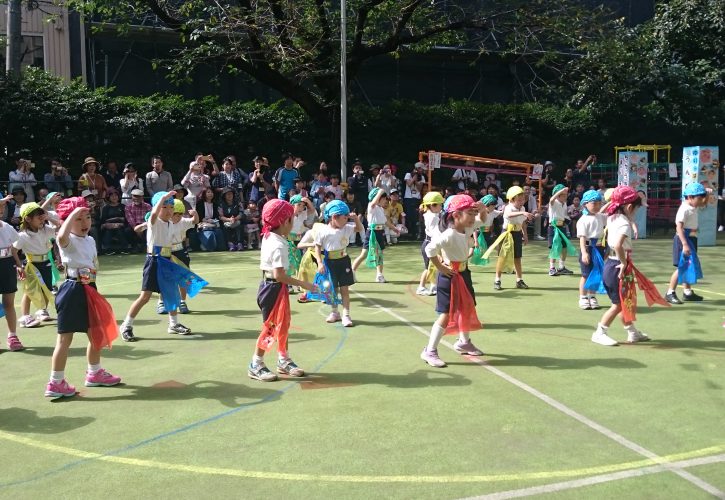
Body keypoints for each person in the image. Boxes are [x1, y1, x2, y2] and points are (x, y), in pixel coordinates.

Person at [45, 197, 121, 398]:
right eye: (78, 219)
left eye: (87, 217)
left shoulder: (90, 239)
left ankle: (94, 373)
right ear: (67, 221)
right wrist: (71, 215)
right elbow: (61, 236)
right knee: (64, 339)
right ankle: (55, 382)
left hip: (90, 288)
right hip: (73, 290)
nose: (85, 222)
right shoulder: (66, 240)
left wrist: (77, 213)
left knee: (96, 334)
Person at [120, 191, 206, 341]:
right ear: (157, 207)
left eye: (170, 207)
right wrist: (163, 198)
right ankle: (126, 325)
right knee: (145, 297)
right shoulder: (155, 222)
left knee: (172, 293)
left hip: (167, 260)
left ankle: (173, 324)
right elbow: (153, 215)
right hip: (154, 260)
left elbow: (193, 222)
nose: (168, 210)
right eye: (164, 207)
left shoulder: (172, 223)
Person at [248, 199, 316, 382]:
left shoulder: (272, 236)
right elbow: (279, 275)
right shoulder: (278, 244)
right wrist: (304, 284)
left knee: (283, 324)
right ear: (285, 222)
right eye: (292, 219)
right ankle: (256, 363)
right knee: (270, 328)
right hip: (272, 289)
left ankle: (283, 359)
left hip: (276, 288)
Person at [591, 186, 668, 346]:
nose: (636, 212)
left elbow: (600, 214)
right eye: (637, 208)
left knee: (624, 301)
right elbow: (618, 245)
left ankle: (632, 332)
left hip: (612, 264)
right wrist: (624, 263)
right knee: (618, 304)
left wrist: (614, 200)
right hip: (617, 266)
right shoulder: (623, 223)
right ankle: (600, 332)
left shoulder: (612, 217)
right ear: (629, 207)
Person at [420, 194, 484, 368]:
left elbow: (483, 221)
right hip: (449, 276)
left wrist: (482, 209)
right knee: (446, 314)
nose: (473, 217)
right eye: (470, 213)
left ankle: (464, 342)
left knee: (466, 307)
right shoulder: (448, 234)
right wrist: (440, 268)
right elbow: (430, 249)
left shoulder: (467, 229)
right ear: (456, 215)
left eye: (473, 213)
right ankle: (430, 350)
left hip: (463, 273)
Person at [314, 200, 363, 327]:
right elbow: (317, 247)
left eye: (347, 216)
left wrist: (356, 219)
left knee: (344, 289)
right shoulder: (323, 231)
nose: (347, 219)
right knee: (332, 289)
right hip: (329, 262)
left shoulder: (346, 228)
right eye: (344, 217)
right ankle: (335, 312)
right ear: (334, 217)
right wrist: (319, 263)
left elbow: (359, 228)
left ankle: (346, 315)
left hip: (343, 261)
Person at [13, 198, 59, 330]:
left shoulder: (45, 229)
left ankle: (41, 310)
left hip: (46, 262)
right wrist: (19, 266)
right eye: (38, 217)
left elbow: (59, 228)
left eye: (42, 216)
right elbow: (14, 250)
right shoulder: (23, 235)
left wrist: (49, 217)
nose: (41, 219)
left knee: (47, 289)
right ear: (28, 219)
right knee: (30, 292)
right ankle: (25, 316)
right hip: (32, 265)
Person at [664, 183, 708, 304]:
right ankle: (670, 292)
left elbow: (704, 202)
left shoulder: (694, 206)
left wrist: (707, 193)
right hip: (683, 239)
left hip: (691, 239)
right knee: (682, 266)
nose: (701, 201)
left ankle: (687, 292)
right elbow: (679, 228)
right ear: (689, 196)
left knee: (689, 265)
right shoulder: (684, 209)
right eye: (699, 198)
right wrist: (684, 244)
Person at [484, 186, 534, 291]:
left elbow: (523, 222)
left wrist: (525, 234)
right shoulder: (509, 207)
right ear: (512, 199)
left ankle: (519, 280)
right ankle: (497, 280)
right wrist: (522, 213)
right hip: (507, 234)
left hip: (517, 233)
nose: (522, 201)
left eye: (523, 199)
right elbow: (509, 215)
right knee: (502, 257)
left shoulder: (523, 208)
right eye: (519, 200)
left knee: (517, 257)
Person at [352, 188, 399, 283]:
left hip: (379, 233)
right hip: (372, 233)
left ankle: (379, 275)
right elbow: (373, 203)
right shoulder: (371, 206)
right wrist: (380, 192)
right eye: (384, 198)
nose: (386, 200)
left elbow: (385, 221)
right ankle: (351, 272)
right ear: (377, 198)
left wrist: (394, 228)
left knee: (379, 254)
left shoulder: (381, 209)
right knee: (364, 254)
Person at [0, 193, 24, 351]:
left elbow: (14, 247)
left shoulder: (7, 227)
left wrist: (19, 263)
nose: (1, 208)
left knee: (9, 303)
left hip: (7, 265)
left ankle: (12, 336)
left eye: (2, 206)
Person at [576, 190, 607, 310]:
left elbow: (610, 216)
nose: (598, 206)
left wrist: (612, 201)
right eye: (594, 203)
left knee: (597, 273)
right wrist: (584, 252)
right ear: (585, 204)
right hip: (588, 248)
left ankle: (592, 296)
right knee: (586, 274)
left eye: (599, 203)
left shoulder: (600, 216)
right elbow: (582, 238)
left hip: (599, 247)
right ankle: (583, 297)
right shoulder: (583, 220)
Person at [416, 191, 444, 296]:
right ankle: (421, 287)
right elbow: (435, 233)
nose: (441, 206)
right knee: (428, 268)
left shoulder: (431, 214)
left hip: (430, 243)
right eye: (440, 204)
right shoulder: (433, 217)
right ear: (433, 205)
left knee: (433, 267)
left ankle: (433, 286)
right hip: (431, 243)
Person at [547, 184, 576, 276]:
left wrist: (567, 220)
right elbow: (551, 199)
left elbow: (564, 215)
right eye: (563, 194)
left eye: (565, 194)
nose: (565, 196)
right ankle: (551, 268)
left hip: (561, 227)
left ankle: (561, 267)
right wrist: (561, 190)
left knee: (564, 247)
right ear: (558, 194)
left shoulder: (564, 204)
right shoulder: (554, 202)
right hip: (553, 227)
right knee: (554, 247)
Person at [99, 188, 130, 255]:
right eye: (112, 196)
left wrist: (117, 222)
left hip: (121, 225)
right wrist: (112, 223)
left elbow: (126, 219)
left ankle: (125, 248)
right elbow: (103, 220)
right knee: (108, 231)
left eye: (116, 195)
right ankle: (107, 249)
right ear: (108, 197)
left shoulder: (123, 206)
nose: (114, 197)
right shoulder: (106, 208)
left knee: (120, 230)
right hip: (108, 226)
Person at [195, 187, 224, 251]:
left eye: (212, 192)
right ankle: (205, 244)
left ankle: (218, 248)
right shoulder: (199, 204)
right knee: (210, 233)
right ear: (204, 194)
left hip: (213, 223)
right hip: (202, 223)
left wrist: (213, 221)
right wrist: (206, 220)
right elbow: (198, 217)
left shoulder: (215, 204)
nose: (210, 194)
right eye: (208, 192)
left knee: (219, 231)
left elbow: (216, 217)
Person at [403, 162, 426, 238]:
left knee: (416, 216)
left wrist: (416, 181)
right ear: (418, 168)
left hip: (417, 198)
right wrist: (413, 178)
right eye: (421, 169)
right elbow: (409, 184)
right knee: (409, 216)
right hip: (408, 198)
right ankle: (409, 232)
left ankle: (415, 233)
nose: (422, 171)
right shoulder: (408, 174)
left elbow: (419, 188)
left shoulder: (422, 177)